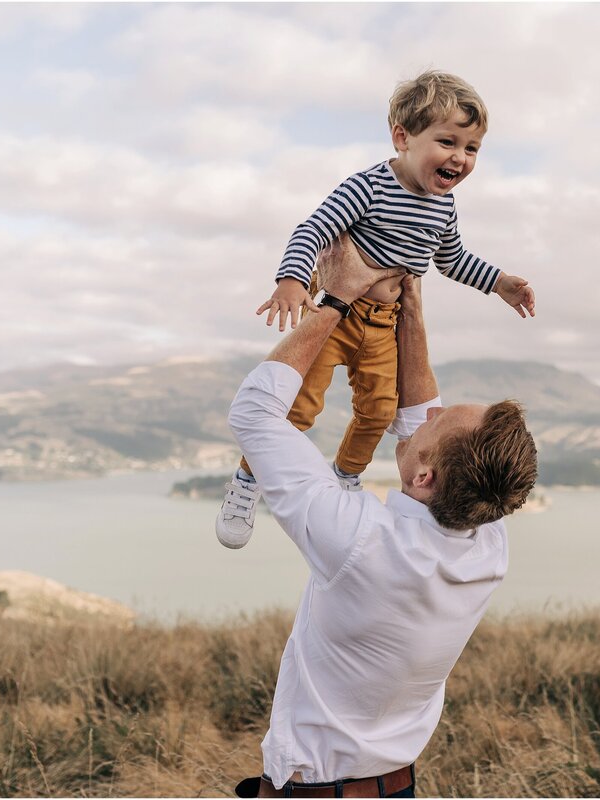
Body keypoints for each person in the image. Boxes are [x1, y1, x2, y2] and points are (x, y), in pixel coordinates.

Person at [226, 236, 538, 798]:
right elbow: (424, 416)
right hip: (394, 787)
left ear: (424, 477)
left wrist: (339, 297)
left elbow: (254, 412)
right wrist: (410, 304)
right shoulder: (487, 536)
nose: (418, 418)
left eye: (430, 429)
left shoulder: (358, 539)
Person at [216, 69, 536, 549]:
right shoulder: (368, 187)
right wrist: (291, 279)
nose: (460, 158)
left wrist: (498, 283)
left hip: (385, 328)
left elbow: (452, 261)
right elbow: (314, 229)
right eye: (448, 142)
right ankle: (246, 483)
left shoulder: (443, 210)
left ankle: (346, 476)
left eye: (471, 149)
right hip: (337, 317)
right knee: (299, 407)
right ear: (402, 137)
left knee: (379, 411)